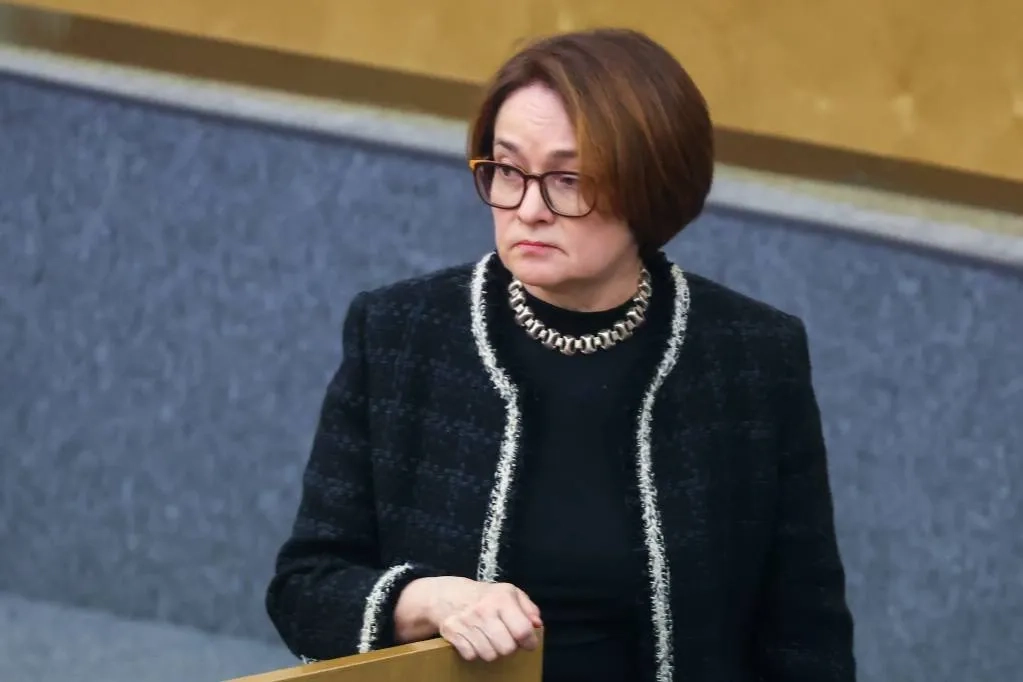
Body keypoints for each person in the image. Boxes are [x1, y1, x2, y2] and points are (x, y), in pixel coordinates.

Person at [266, 27, 856, 682]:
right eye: (507, 169)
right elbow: (305, 590)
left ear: (651, 186)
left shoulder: (750, 356)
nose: (529, 208)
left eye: (568, 179)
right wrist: (426, 599)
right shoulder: (401, 333)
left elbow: (808, 636)